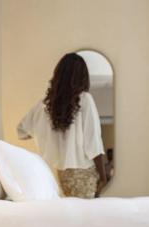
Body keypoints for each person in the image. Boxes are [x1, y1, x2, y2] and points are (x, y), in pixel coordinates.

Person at [18, 53, 109, 198]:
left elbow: (21, 131)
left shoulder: (45, 104)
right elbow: (93, 142)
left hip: (56, 174)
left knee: (67, 216)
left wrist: (47, 133)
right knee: (84, 217)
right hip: (82, 174)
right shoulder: (85, 99)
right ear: (82, 76)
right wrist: (103, 177)